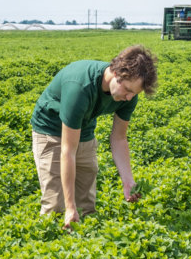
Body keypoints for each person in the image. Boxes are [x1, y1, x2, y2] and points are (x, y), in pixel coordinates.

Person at [30, 44, 158, 228]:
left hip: (84, 129)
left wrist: (128, 181)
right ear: (116, 73)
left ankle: (82, 241)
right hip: (51, 130)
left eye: (134, 93)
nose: (130, 97)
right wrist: (70, 207)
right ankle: (51, 245)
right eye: (128, 90)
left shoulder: (129, 96)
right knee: (57, 205)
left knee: (86, 205)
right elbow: (67, 151)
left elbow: (119, 138)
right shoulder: (80, 87)